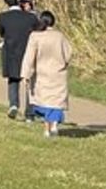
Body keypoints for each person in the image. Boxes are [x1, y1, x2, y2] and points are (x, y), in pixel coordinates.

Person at [21, 10, 73, 138]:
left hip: (41, 74)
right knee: (56, 102)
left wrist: (25, 74)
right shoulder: (60, 36)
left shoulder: (35, 36)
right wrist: (63, 63)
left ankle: (46, 128)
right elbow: (68, 53)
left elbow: (29, 57)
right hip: (58, 74)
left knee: (44, 102)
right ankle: (54, 125)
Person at [0, 0, 39, 119]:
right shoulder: (31, 17)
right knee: (29, 82)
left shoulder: (3, 17)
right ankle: (30, 112)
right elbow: (37, 31)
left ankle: (14, 104)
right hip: (28, 51)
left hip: (11, 51)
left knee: (13, 79)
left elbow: (2, 33)